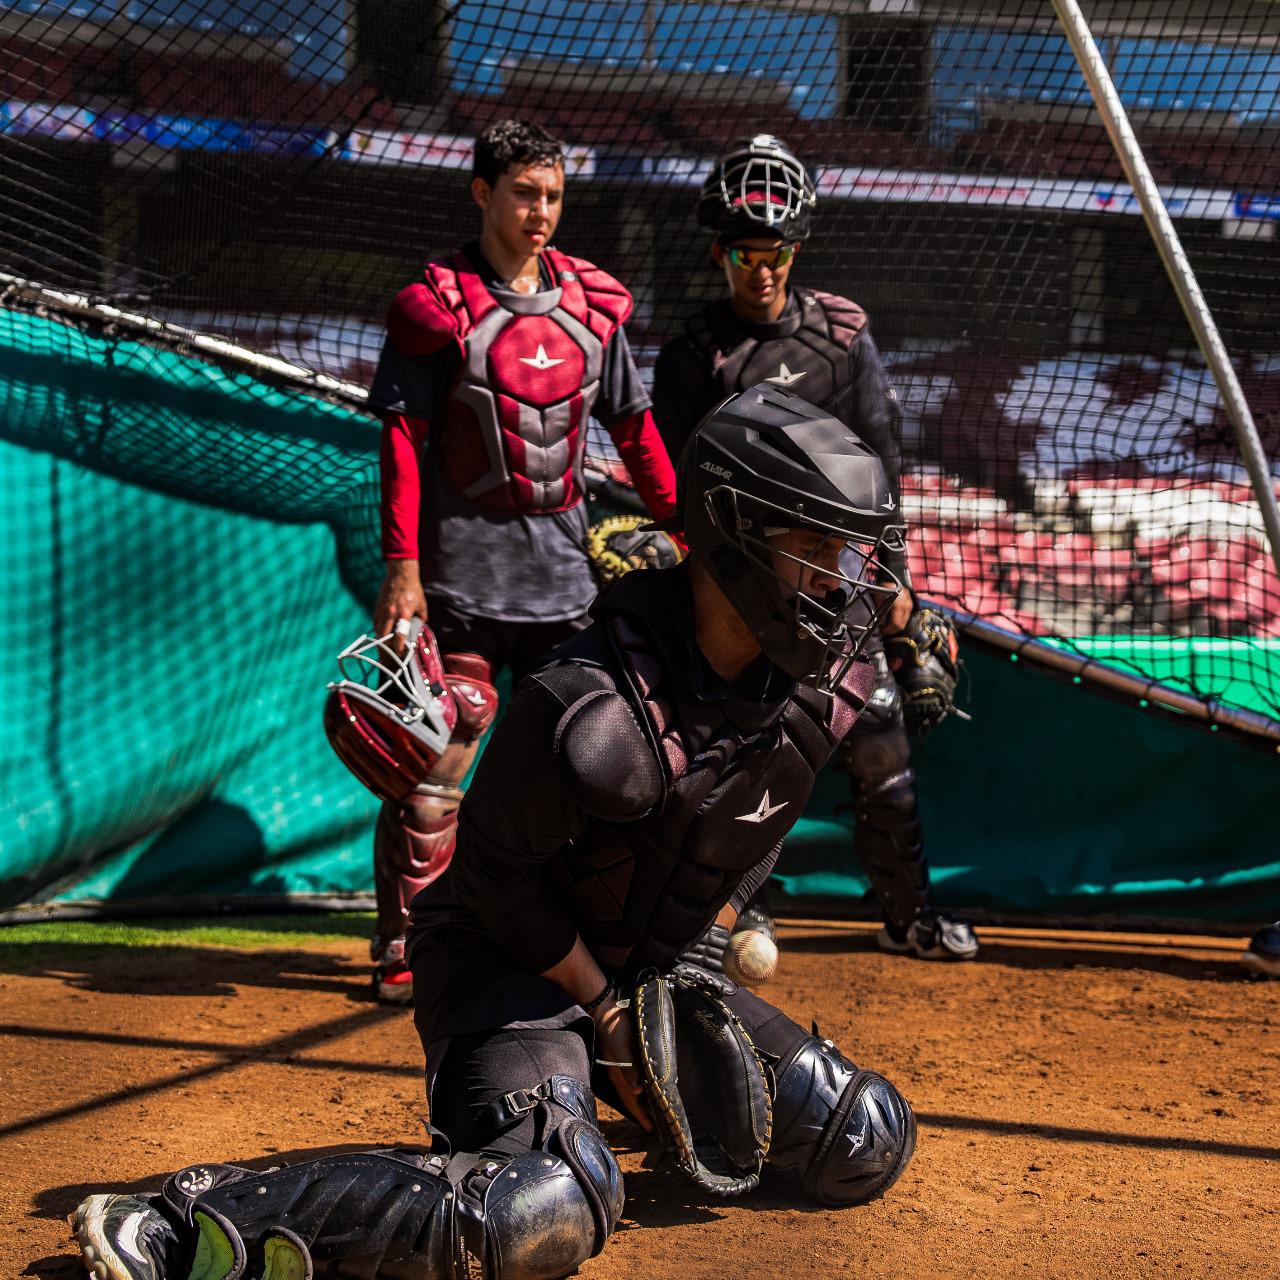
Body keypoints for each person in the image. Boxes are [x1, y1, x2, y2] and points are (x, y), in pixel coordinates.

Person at [70, 386, 918, 1280]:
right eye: (816, 549)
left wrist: (689, 979)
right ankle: (180, 1224)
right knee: (546, 1200)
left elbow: (750, 820)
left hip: (645, 967)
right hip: (505, 963)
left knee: (865, 1134)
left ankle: (590, 1099)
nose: (847, 580)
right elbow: (490, 883)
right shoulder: (589, 712)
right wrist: (608, 1012)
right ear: (734, 536)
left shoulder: (819, 684)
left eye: (852, 551)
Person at [360, 119, 677, 1002]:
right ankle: (411, 948)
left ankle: (562, 944)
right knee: (440, 763)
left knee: (587, 768)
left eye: (554, 196)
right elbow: (404, 443)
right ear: (483, 193)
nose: (541, 213)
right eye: (525, 194)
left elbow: (636, 432)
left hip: (565, 582)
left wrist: (684, 527)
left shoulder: (594, 307)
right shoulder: (437, 305)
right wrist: (402, 567)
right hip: (459, 577)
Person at [652, 134, 978, 962]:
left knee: (879, 745)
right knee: (735, 755)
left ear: (796, 248)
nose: (761, 269)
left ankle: (911, 918)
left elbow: (886, 465)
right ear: (720, 251)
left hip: (837, 576)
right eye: (744, 252)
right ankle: (732, 915)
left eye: (776, 252)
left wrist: (894, 586)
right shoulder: (693, 350)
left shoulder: (842, 336)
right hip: (735, 589)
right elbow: (672, 477)